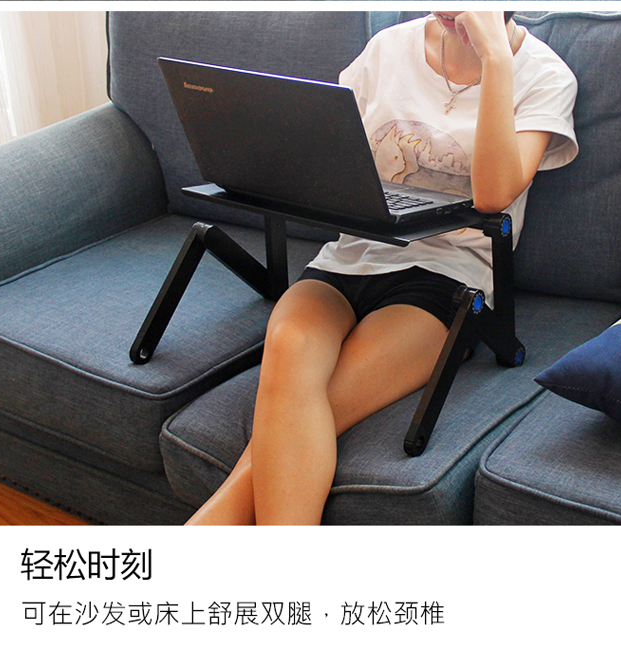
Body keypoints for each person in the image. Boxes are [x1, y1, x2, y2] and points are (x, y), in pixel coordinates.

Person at [187, 11, 578, 525]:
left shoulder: (545, 76)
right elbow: (326, 151)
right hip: (350, 255)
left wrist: (496, 61)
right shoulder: (388, 48)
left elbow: (493, 194)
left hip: (447, 276)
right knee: (290, 345)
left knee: (318, 405)